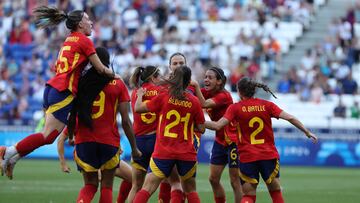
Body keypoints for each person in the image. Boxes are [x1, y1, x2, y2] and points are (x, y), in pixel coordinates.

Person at [0, 6, 120, 178]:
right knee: (47, 135)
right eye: (87, 19)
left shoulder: (68, 40)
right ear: (79, 24)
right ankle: (6, 151)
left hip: (52, 88)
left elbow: (58, 66)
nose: (91, 22)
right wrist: (118, 76)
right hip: (63, 90)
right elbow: (101, 68)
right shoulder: (84, 41)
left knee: (47, 137)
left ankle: (13, 158)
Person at [205, 77, 318, 203]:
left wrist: (198, 122)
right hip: (268, 155)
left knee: (248, 195)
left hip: (247, 157)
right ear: (254, 91)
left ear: (239, 91)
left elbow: (217, 126)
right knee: (275, 193)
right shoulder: (267, 105)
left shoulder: (235, 108)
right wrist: (307, 132)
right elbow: (290, 118)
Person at [63, 46, 140, 203]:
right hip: (108, 142)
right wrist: (134, 148)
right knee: (107, 186)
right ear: (108, 61)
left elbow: (72, 115)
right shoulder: (118, 84)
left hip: (84, 140)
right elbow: (126, 121)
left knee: (89, 186)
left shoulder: (80, 82)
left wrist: (71, 136)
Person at [133, 65, 205, 203]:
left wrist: (140, 96)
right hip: (186, 153)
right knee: (190, 191)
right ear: (188, 80)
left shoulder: (164, 97)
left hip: (163, 151)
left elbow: (138, 108)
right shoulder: (194, 102)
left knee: (147, 188)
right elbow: (201, 128)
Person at [191, 67, 242, 203]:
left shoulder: (224, 96)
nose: (206, 80)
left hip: (233, 141)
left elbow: (202, 104)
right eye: (205, 77)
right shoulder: (205, 92)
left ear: (219, 81)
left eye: (210, 77)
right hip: (220, 140)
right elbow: (189, 96)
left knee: (235, 181)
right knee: (213, 179)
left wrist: (194, 85)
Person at [57, 128, 133, 203]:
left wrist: (63, 163)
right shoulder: (101, 117)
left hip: (89, 154)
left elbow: (61, 138)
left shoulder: (77, 117)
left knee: (132, 178)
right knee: (105, 186)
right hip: (104, 153)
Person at [127, 65, 162, 203]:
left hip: (139, 142)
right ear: (153, 77)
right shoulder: (160, 91)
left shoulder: (136, 92)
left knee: (136, 186)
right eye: (158, 76)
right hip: (156, 140)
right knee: (170, 182)